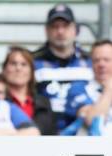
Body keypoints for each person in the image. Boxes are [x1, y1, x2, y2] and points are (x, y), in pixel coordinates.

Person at [33, 4, 93, 132]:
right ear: (46, 30)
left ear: (75, 29)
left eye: (65, 26)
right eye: (55, 27)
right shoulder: (32, 62)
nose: (60, 31)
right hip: (44, 134)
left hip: (84, 133)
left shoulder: (91, 61)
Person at [2, 46, 56, 135]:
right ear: (4, 69)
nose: (18, 68)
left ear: (31, 72)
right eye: (13, 63)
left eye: (24, 64)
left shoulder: (44, 103)